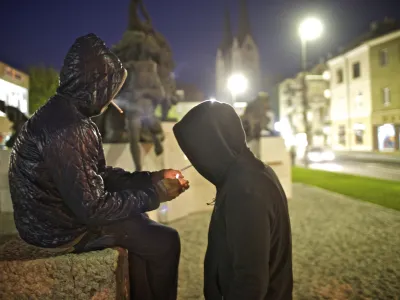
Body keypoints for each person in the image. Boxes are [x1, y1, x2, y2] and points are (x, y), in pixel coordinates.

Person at [8, 33, 188, 300]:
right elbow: (93, 208)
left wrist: (149, 179)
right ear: (95, 84)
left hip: (47, 220)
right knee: (165, 240)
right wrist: (156, 194)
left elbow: (99, 175)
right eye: (109, 89)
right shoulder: (70, 128)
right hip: (56, 230)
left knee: (140, 224)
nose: (112, 100)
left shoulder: (64, 114)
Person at [173, 100, 293, 300]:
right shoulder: (248, 173)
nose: (194, 160)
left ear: (212, 145)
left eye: (195, 151)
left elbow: (250, 282)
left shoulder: (245, 191)